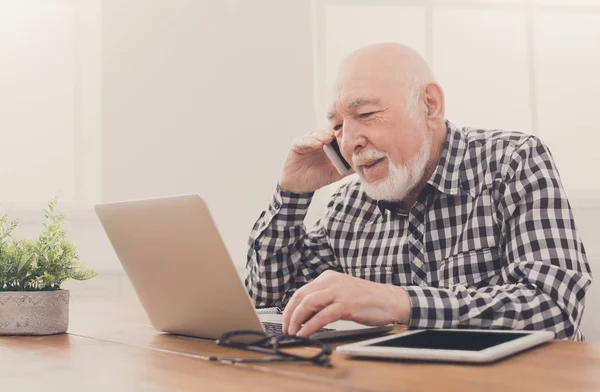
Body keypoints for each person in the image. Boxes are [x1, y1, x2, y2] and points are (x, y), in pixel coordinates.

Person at [244, 43, 592, 341]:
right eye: (337, 126)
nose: (348, 143)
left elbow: (554, 309)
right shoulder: (347, 207)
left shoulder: (512, 161)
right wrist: (291, 196)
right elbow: (267, 300)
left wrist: (397, 302)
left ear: (430, 105)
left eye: (365, 113)